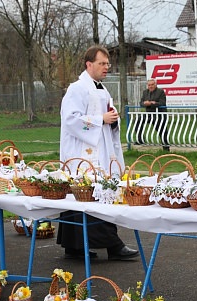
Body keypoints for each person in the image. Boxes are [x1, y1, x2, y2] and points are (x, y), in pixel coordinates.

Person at [56, 45, 139, 261]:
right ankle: (112, 245)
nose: (106, 67)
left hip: (100, 150)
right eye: (102, 63)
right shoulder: (77, 89)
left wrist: (112, 120)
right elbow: (71, 119)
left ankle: (74, 247)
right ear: (89, 64)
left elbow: (107, 118)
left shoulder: (102, 89)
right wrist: (100, 120)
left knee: (96, 194)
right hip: (82, 152)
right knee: (88, 194)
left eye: (108, 64)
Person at [136, 79, 169, 151]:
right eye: (149, 85)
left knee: (162, 130)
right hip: (149, 114)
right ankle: (140, 139)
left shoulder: (160, 92)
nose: (150, 86)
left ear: (155, 85)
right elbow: (141, 103)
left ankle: (166, 148)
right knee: (138, 120)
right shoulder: (145, 92)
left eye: (152, 85)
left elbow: (162, 103)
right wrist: (145, 103)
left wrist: (152, 103)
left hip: (159, 115)